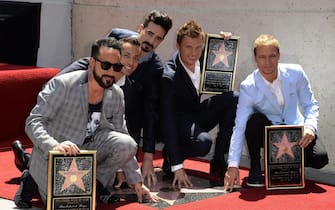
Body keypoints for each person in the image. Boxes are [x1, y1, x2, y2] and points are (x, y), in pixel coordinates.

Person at [14, 37, 156, 208]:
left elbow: (123, 134)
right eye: (105, 65)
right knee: (67, 205)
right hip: (57, 154)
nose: (111, 72)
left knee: (126, 143)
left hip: (88, 152)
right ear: (91, 63)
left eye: (117, 67)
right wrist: (53, 146)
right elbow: (33, 121)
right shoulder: (63, 85)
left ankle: (93, 183)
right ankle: (32, 177)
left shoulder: (116, 94)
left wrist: (137, 183)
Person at [61, 10, 173, 186]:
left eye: (158, 38)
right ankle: (37, 161)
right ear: (141, 28)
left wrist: (149, 157)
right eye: (150, 34)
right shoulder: (117, 35)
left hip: (124, 125)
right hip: (91, 110)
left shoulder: (156, 68)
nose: (151, 42)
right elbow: (94, 62)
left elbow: (150, 112)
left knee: (113, 171)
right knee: (60, 86)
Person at [224, 34, 329, 190]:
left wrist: (310, 127)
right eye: (262, 57)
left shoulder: (296, 73)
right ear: (255, 58)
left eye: (272, 56)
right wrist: (233, 165)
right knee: (253, 120)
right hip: (267, 132)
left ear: (279, 54)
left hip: (295, 128)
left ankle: (286, 164)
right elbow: (239, 126)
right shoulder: (248, 85)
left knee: (320, 158)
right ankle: (255, 166)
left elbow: (310, 104)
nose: (267, 63)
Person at [160, 20, 238, 188]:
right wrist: (177, 166)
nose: (193, 53)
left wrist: (225, 41)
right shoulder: (169, 76)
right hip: (177, 121)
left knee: (234, 97)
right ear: (178, 44)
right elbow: (168, 122)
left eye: (198, 47)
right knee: (203, 143)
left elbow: (220, 53)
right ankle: (170, 156)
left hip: (195, 112)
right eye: (188, 47)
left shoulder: (202, 56)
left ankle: (218, 160)